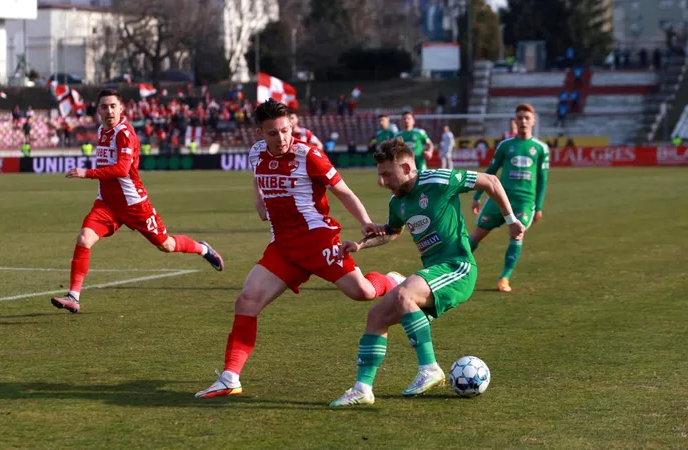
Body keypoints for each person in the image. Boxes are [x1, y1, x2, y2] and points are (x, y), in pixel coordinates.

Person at [195, 99, 405, 399]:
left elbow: (342, 191)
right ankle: (230, 376)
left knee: (363, 293)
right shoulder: (256, 153)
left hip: (318, 241)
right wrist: (259, 200)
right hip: (283, 245)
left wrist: (365, 221)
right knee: (246, 301)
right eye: (273, 133)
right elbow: (258, 180)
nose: (281, 138)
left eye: (285, 130)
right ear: (259, 133)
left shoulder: (309, 155)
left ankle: (392, 281)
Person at [328, 139, 525, 407]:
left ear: (407, 167)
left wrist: (512, 221)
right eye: (380, 174)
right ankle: (363, 388)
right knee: (376, 316)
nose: (382, 181)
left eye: (387, 174)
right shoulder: (397, 201)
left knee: (404, 293)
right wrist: (361, 244)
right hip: (432, 272)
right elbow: (393, 232)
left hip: (458, 267)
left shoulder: (438, 180)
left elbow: (490, 181)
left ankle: (430, 368)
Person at [50, 89, 224, 314]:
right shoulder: (103, 130)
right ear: (99, 110)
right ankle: (73, 296)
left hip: (134, 204)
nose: (109, 110)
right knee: (84, 238)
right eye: (104, 107)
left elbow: (122, 169)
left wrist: (87, 173)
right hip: (107, 204)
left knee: (167, 245)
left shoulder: (125, 133)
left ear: (121, 108)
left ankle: (203, 249)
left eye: (113, 106)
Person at [469, 103, 549, 293]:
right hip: (499, 199)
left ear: (533, 121)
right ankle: (452, 267)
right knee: (477, 235)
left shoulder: (540, 148)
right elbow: (491, 171)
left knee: (517, 233)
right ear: (515, 120)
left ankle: (504, 278)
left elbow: (543, 179)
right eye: (519, 118)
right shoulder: (505, 146)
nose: (523, 121)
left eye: (527, 118)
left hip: (524, 202)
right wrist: (477, 195)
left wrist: (538, 207)